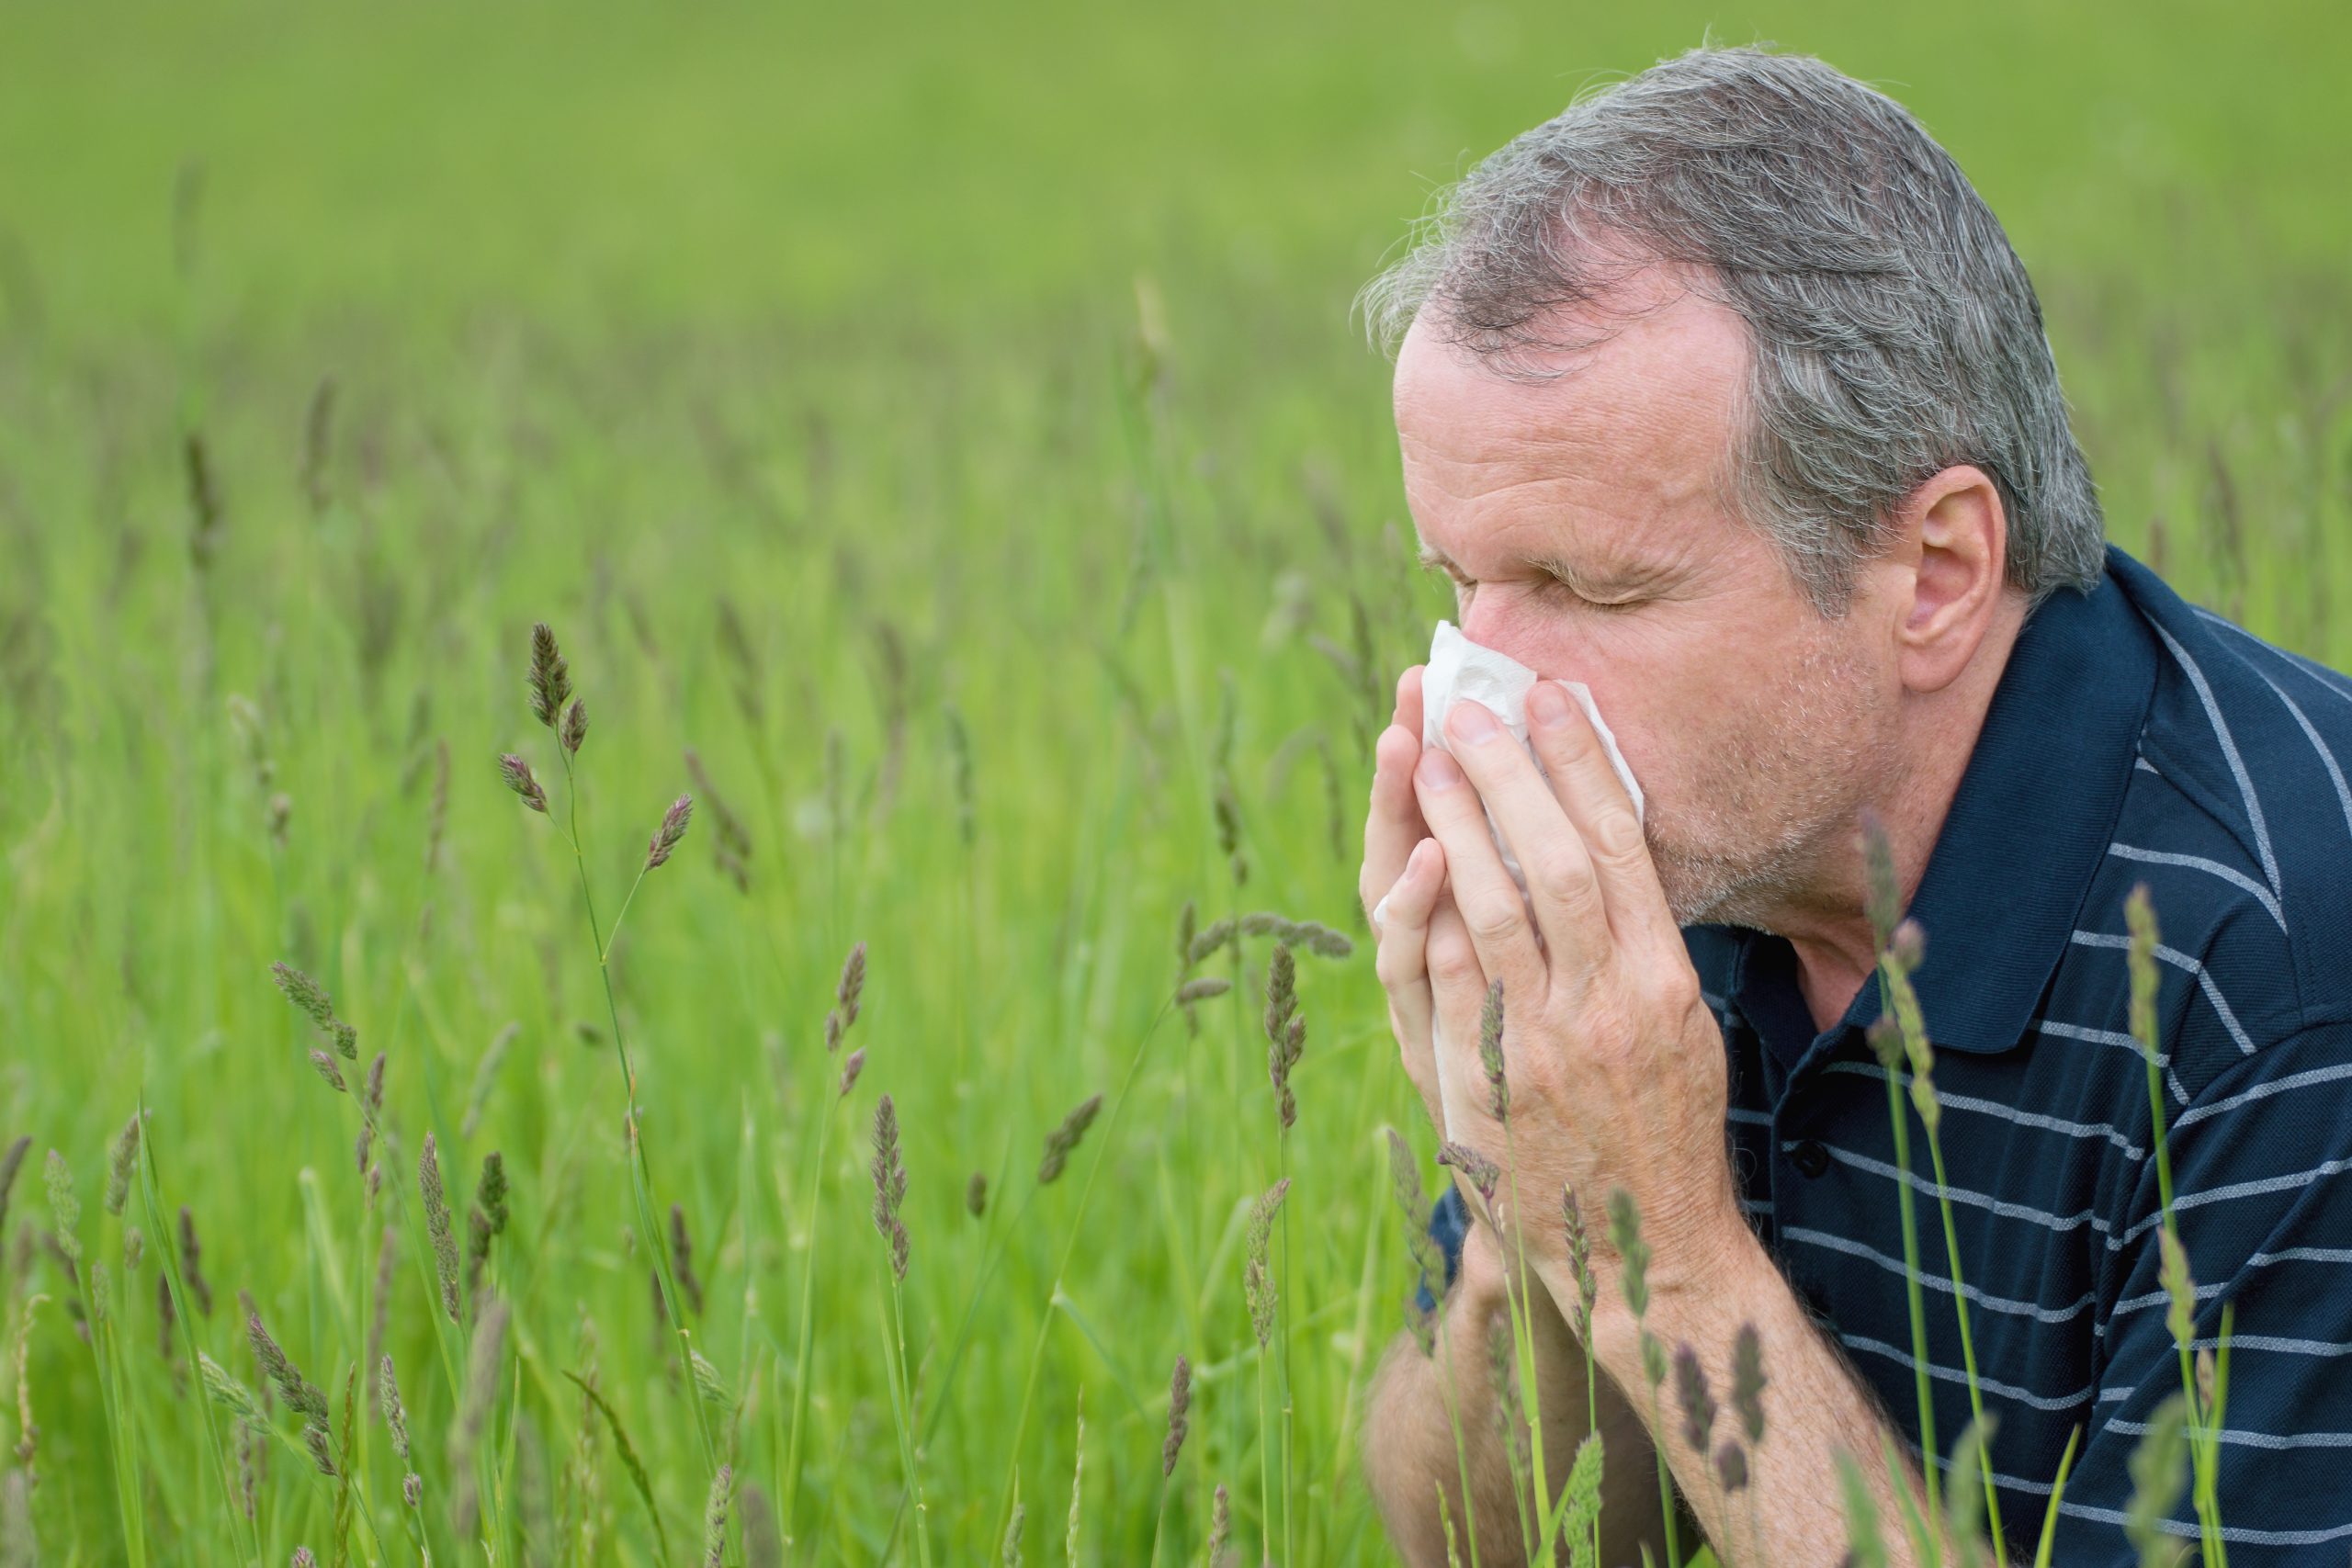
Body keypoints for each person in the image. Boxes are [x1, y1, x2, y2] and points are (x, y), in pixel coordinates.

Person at [1354, 43, 2352, 1567]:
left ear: (1936, 574)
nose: (1484, 686)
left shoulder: (2282, 978)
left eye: (1589, 585)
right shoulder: (1695, 852)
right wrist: (1521, 1200)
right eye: (1462, 582)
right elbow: (1485, 1546)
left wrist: (1673, 1271)